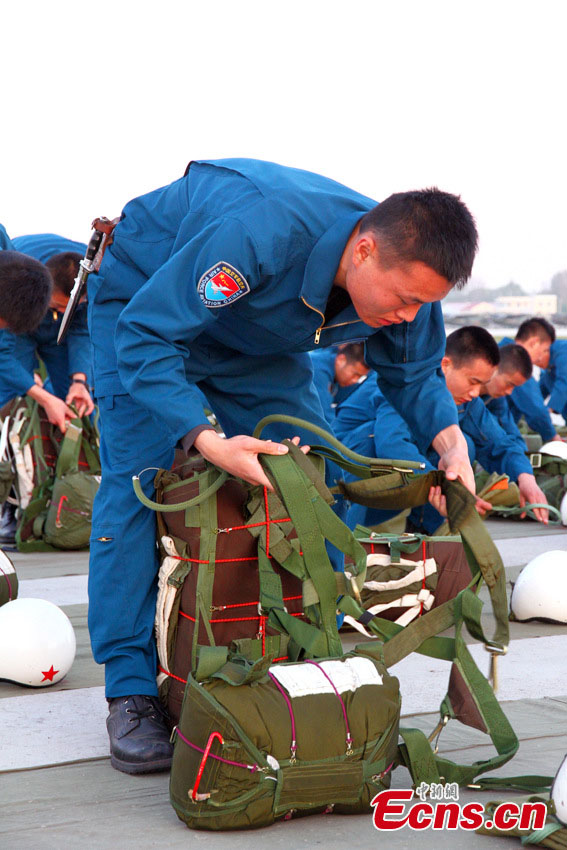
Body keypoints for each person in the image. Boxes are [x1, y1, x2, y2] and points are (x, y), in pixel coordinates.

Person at [53, 158, 479, 774]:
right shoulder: (262, 233)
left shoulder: (409, 277)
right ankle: (131, 692)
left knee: (309, 479)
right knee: (138, 485)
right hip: (147, 306)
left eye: (424, 305)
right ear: (362, 251)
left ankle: (310, 655)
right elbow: (149, 335)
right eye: (406, 300)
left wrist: (450, 443)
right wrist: (204, 437)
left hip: (252, 341)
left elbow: (412, 371)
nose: (410, 316)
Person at [335, 327, 549, 532]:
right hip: (340, 469)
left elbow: (498, 442)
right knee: (377, 439)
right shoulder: (407, 382)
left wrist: (525, 478)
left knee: (463, 445)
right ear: (445, 365)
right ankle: (340, 540)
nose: (476, 393)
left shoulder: (465, 400)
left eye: (482, 385)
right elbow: (391, 443)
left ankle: (424, 533)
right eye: (472, 381)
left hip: (386, 485)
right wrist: (445, 486)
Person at [0, 234, 95, 429]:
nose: (62, 314)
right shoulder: (14, 278)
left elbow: (81, 330)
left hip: (56, 333)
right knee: (12, 388)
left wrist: (80, 380)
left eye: (69, 309)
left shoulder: (91, 277)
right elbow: (2, 353)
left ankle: (71, 444)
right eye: (60, 306)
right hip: (17, 314)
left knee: (75, 395)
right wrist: (34, 389)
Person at [501, 318, 561, 443]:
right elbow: (535, 409)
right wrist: (553, 437)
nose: (542, 357)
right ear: (534, 342)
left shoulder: (501, 349)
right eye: (545, 350)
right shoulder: (516, 362)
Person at [310, 342, 369, 425]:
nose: (355, 380)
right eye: (355, 374)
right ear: (341, 360)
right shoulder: (317, 370)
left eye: (360, 377)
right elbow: (324, 416)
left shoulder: (337, 374)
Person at [539, 337, 567, 423]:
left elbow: (564, 380)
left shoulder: (563, 351)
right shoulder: (548, 370)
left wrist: (550, 408)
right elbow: (540, 390)